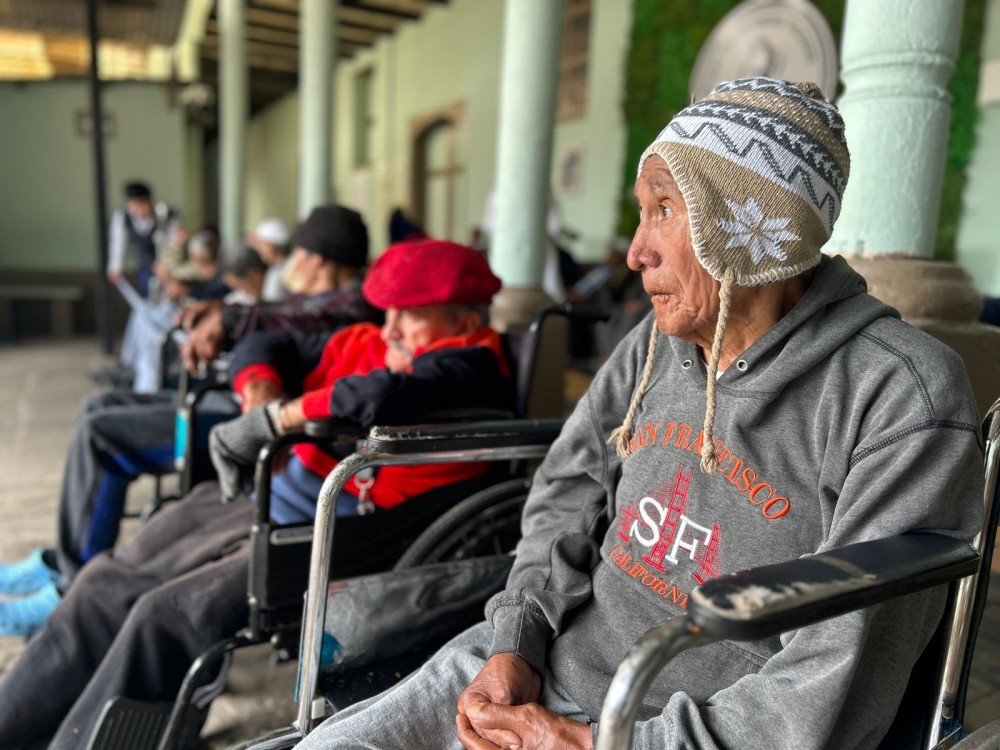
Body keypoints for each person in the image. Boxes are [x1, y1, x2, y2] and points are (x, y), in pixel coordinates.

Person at [293, 78, 984, 750]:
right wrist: (516, 640)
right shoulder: (656, 343)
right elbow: (569, 489)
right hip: (541, 672)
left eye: (664, 209)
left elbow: (834, 675)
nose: (634, 252)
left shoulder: (898, 395)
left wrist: (603, 742)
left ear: (748, 228)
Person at [0, 239, 514, 750]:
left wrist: (276, 419)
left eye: (410, 316)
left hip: (338, 530)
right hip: (267, 499)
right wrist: (258, 392)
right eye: (389, 312)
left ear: (465, 320)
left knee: (164, 614)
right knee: (102, 582)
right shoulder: (365, 339)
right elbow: (267, 343)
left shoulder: (474, 365)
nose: (389, 328)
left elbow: (377, 396)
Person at [0, 205, 379, 635]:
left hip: (259, 426)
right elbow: (271, 327)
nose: (294, 261)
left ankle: (70, 586)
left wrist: (233, 319)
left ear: (319, 259)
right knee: (98, 406)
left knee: (102, 435)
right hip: (240, 400)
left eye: (302, 253)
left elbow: (280, 325)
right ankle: (63, 561)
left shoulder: (354, 306)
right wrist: (232, 321)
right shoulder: (315, 299)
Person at [106, 181, 181, 298]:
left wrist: (166, 263)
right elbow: (117, 242)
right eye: (133, 205)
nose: (138, 210)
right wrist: (115, 267)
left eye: (141, 204)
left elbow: (173, 242)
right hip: (145, 264)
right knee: (146, 293)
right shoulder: (122, 217)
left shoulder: (165, 215)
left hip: (168, 265)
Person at [249, 217, 293, 302]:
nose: (258, 248)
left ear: (273, 245)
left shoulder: (288, 270)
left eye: (262, 243)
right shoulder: (275, 269)